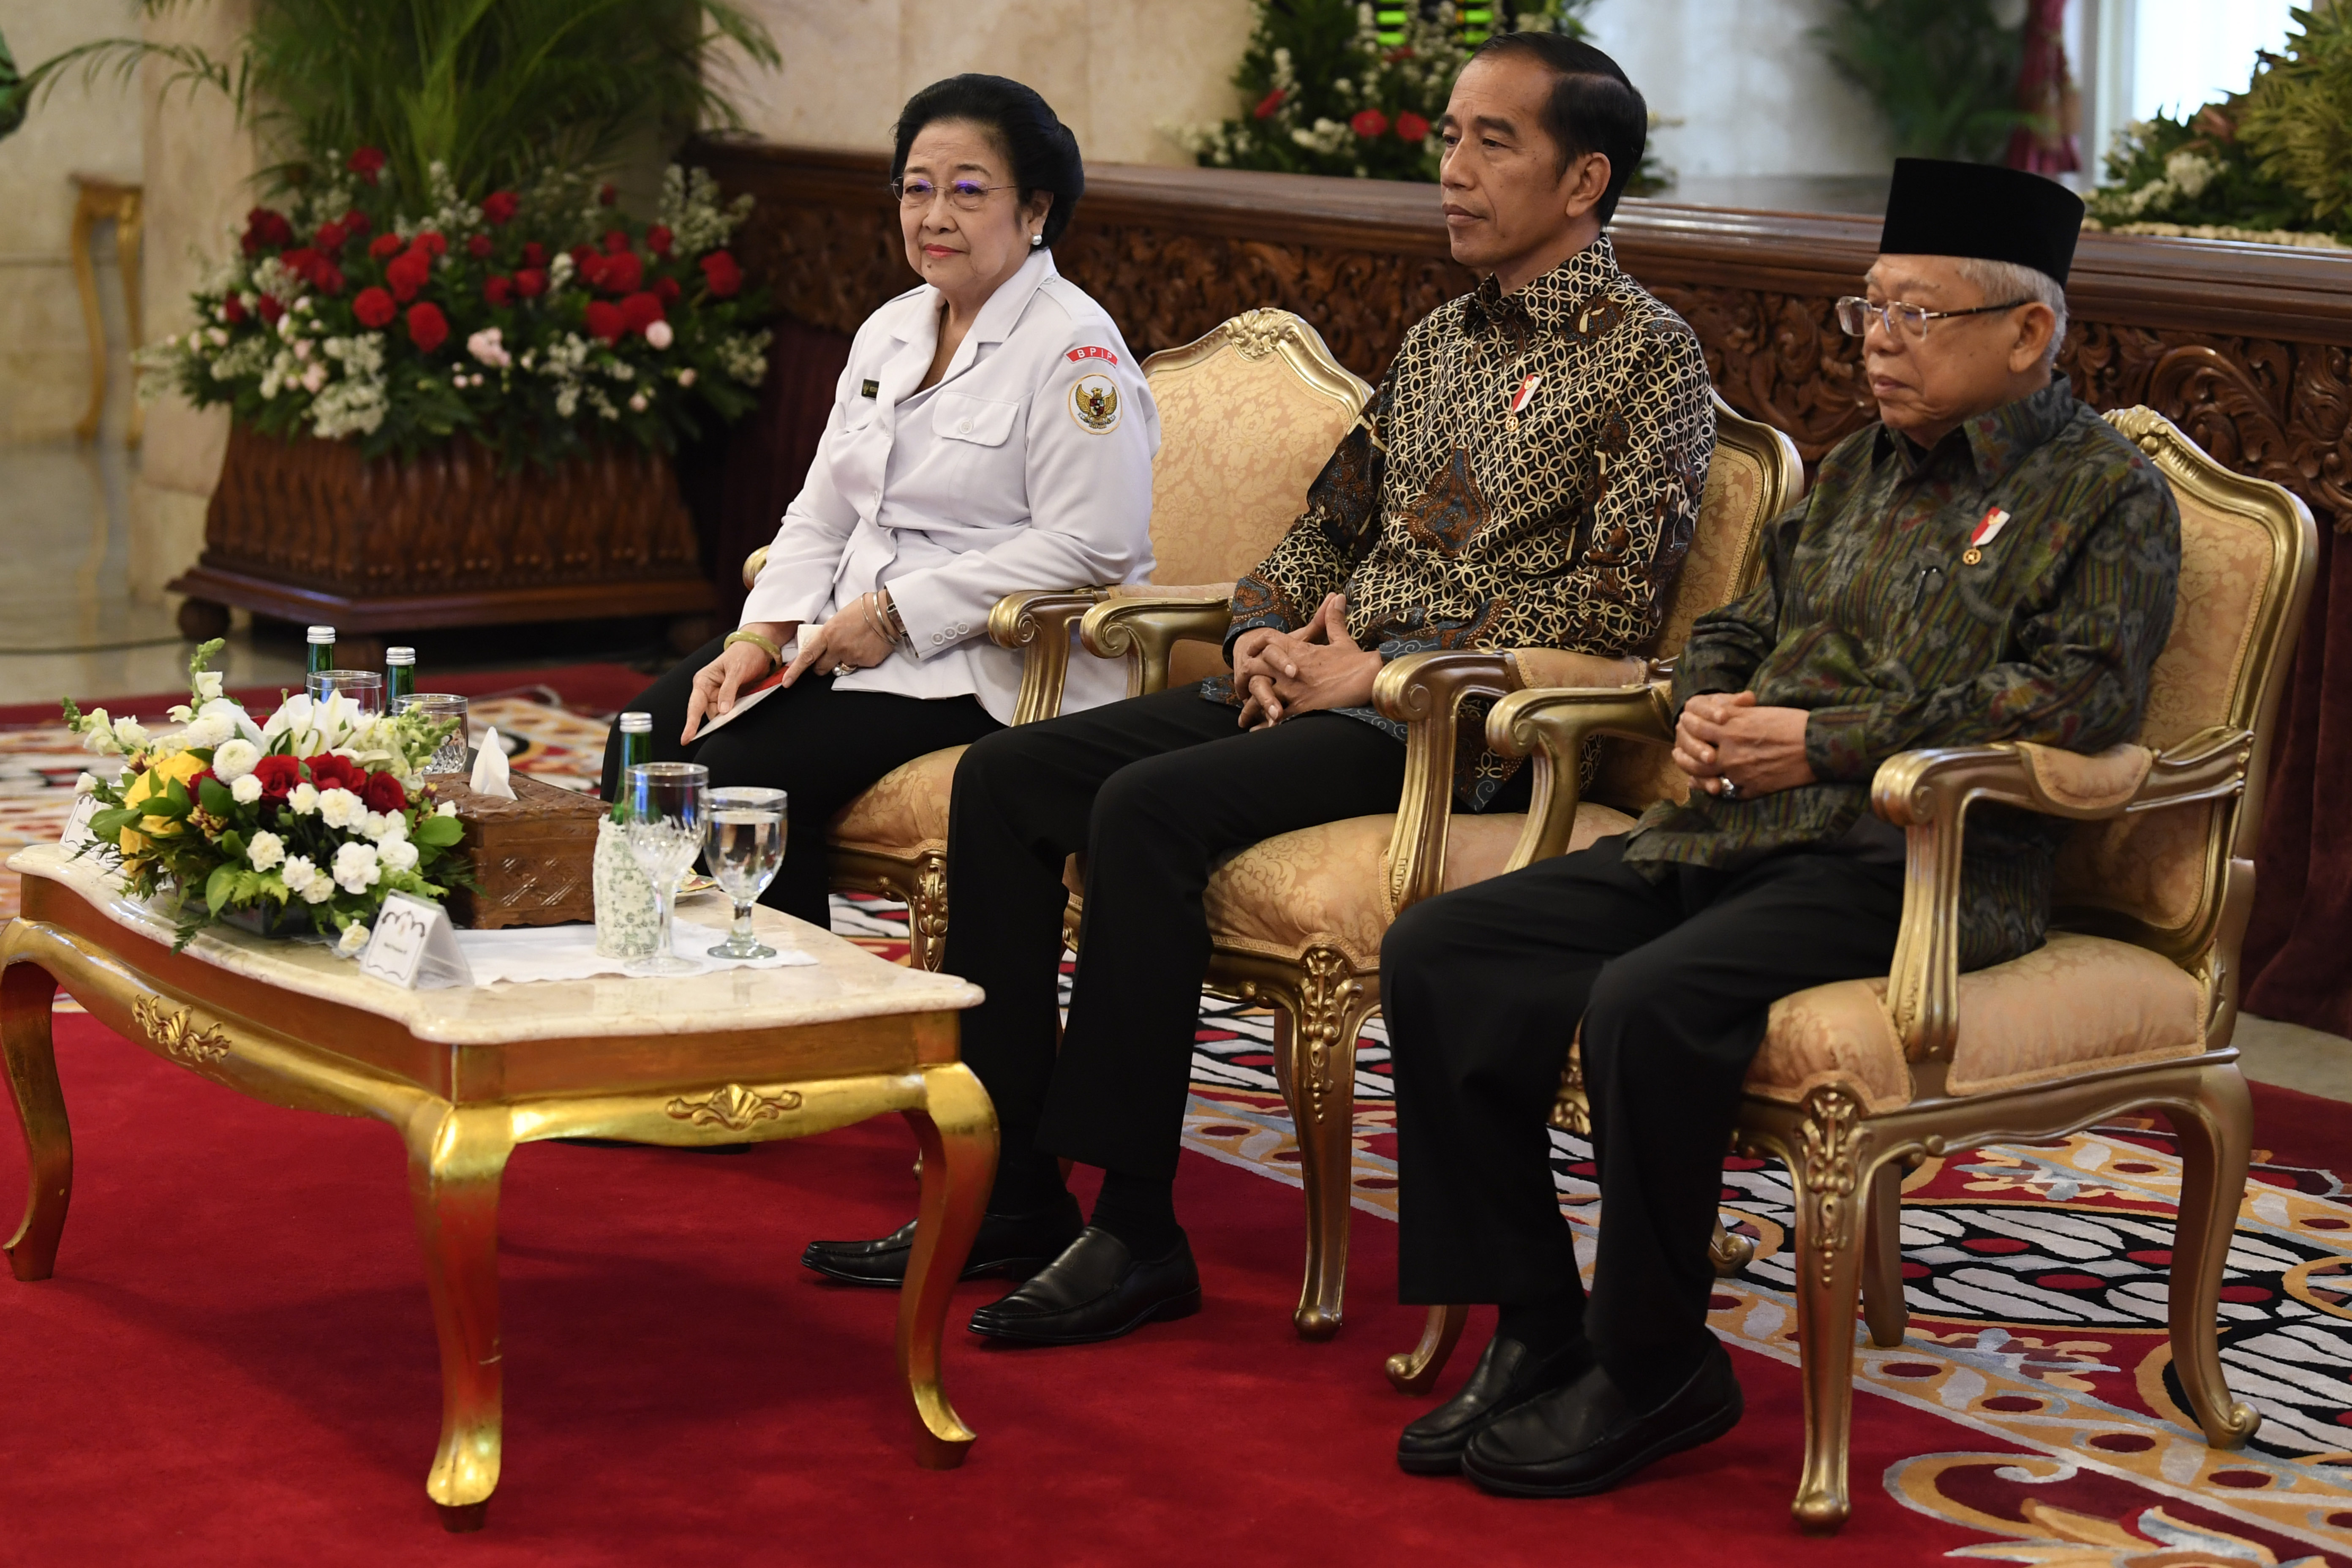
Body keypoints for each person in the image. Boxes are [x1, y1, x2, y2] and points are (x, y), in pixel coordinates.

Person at [802, 34, 1717, 1346]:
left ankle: (1137, 1226)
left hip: (1460, 728)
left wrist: (1386, 667)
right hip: (1316, 687)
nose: (1451, 171)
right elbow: (1320, 530)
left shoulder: (1648, 357)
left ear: (1585, 181)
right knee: (1010, 780)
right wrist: (1261, 629)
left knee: (1148, 812)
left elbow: (1616, 619)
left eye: (1489, 144)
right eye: (1449, 138)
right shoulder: (1443, 339)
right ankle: (1010, 1191)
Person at [1378, 158, 2183, 1496]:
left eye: (1915, 316)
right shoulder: (1861, 467)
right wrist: (1705, 705)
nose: (1877, 343)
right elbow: (1741, 621)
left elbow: (2076, 696)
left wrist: (1824, 739)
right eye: (1866, 311)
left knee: (1647, 1001)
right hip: (1736, 824)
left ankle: (1654, 1365)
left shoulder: (2103, 494)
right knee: (1447, 950)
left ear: (2027, 334)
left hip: (1921, 864)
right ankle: (1534, 1323)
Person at [600, 75, 1157, 925]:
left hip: (987, 661)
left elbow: (1094, 544)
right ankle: (673, 999)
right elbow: (823, 509)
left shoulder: (1075, 348)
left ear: (1036, 206)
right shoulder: (892, 329)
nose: (935, 216)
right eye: (917, 189)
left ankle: (800, 1021)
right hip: (845, 637)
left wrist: (897, 613)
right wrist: (760, 633)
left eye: (969, 192)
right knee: (642, 738)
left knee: (744, 779)